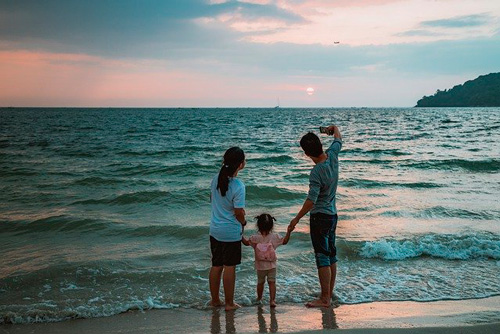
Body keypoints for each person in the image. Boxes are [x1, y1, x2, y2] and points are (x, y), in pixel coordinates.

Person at [288, 125, 342, 308]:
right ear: (320, 144)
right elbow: (338, 136)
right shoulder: (333, 155)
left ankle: (325, 298)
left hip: (319, 217)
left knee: (322, 257)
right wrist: (329, 129)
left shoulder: (316, 172)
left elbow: (312, 200)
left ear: (306, 153)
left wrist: (296, 219)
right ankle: (329, 293)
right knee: (331, 255)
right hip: (333, 215)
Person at [209, 147, 247, 311]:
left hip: (215, 230)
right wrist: (244, 222)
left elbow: (213, 200)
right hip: (230, 232)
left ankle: (215, 300)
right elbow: (238, 212)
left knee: (216, 265)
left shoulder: (215, 179)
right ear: (240, 164)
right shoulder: (238, 185)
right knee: (229, 267)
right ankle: (229, 303)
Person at [242, 213, 292, 307]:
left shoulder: (255, 237)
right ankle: (272, 301)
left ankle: (259, 298)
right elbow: (285, 241)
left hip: (260, 267)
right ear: (271, 226)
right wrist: (289, 232)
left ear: (258, 225)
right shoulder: (274, 237)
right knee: (272, 282)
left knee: (260, 283)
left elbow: (245, 243)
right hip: (271, 266)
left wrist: (240, 232)